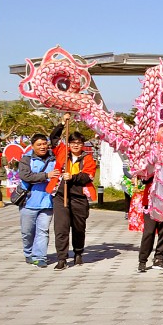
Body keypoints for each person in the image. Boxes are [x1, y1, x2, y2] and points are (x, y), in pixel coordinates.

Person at [48, 113, 97, 270]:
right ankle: (61, 258)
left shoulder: (88, 158)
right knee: (61, 228)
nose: (76, 145)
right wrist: (62, 122)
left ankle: (78, 252)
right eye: (73, 143)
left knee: (78, 228)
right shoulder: (62, 151)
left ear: (83, 144)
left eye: (79, 143)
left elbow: (88, 176)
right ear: (68, 144)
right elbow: (54, 138)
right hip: (61, 195)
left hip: (79, 197)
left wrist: (73, 177)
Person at [18, 134, 60, 268]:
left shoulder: (54, 158)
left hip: (47, 202)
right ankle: (29, 253)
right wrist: (46, 175)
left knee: (43, 231)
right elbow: (26, 176)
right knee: (27, 232)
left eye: (44, 144)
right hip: (29, 202)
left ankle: (40, 256)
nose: (43, 147)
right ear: (33, 146)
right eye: (39, 144)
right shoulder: (26, 160)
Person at [135, 176, 163, 273]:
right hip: (150, 201)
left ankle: (159, 258)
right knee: (149, 232)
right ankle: (142, 260)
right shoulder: (151, 161)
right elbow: (144, 178)